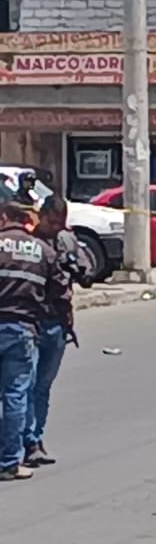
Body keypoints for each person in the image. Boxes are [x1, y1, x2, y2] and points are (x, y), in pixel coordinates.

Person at [21, 195, 84, 469]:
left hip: (57, 323)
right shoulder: (27, 244)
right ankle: (25, 442)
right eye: (52, 221)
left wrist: (76, 266)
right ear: (40, 215)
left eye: (61, 223)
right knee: (25, 385)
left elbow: (86, 272)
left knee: (42, 388)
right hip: (30, 323)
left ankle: (36, 438)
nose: (56, 227)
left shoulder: (67, 240)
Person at [0, 200, 61, 481]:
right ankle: (9, 462)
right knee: (16, 394)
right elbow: (59, 291)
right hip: (23, 329)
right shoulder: (42, 251)